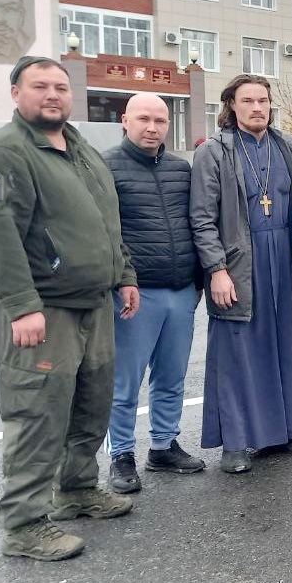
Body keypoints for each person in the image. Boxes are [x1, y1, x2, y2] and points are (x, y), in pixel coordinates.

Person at [0, 57, 138, 561]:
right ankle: (24, 524)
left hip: (93, 303)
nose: (53, 94)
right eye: (40, 86)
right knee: (37, 412)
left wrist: (125, 275)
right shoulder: (5, 151)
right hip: (43, 310)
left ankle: (76, 490)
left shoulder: (79, 146)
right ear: (15, 92)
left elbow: (106, 222)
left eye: (61, 87)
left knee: (91, 403)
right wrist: (22, 306)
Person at [190, 74, 292, 474]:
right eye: (248, 100)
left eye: (263, 100)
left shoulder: (289, 146)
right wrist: (217, 270)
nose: (258, 107)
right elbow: (202, 217)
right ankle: (236, 441)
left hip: (282, 256)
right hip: (238, 261)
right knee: (238, 351)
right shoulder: (214, 151)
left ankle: (285, 431)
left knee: (284, 344)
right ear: (231, 105)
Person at [102, 93, 205, 494]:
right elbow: (107, 232)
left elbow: (196, 225)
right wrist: (120, 280)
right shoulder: (106, 167)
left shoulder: (182, 169)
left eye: (160, 120)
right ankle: (121, 455)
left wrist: (198, 279)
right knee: (125, 381)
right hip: (134, 293)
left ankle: (162, 446)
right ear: (124, 120)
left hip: (181, 291)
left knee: (172, 377)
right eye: (143, 119)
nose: (152, 127)